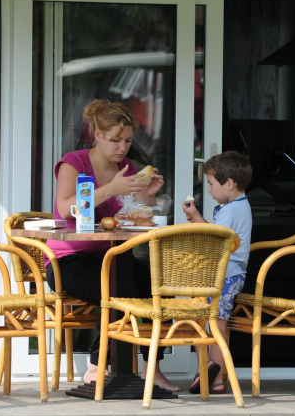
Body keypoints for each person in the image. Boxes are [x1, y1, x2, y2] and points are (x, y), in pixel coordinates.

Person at [46, 98, 179, 392]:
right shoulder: (74, 162)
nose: (123, 147)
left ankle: (151, 370)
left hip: (114, 256)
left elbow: (136, 216)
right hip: (67, 261)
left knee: (159, 292)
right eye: (115, 140)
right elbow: (67, 208)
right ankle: (97, 365)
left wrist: (148, 197)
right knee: (118, 291)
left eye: (128, 140)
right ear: (97, 135)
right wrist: (110, 189)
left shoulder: (129, 167)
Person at [181, 150, 252, 394]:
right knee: (214, 321)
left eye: (211, 184)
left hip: (226, 276)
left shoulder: (231, 210)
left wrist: (195, 218)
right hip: (230, 274)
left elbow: (214, 238)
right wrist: (197, 217)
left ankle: (214, 371)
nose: (209, 190)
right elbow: (217, 234)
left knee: (217, 323)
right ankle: (215, 375)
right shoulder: (238, 205)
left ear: (229, 183)